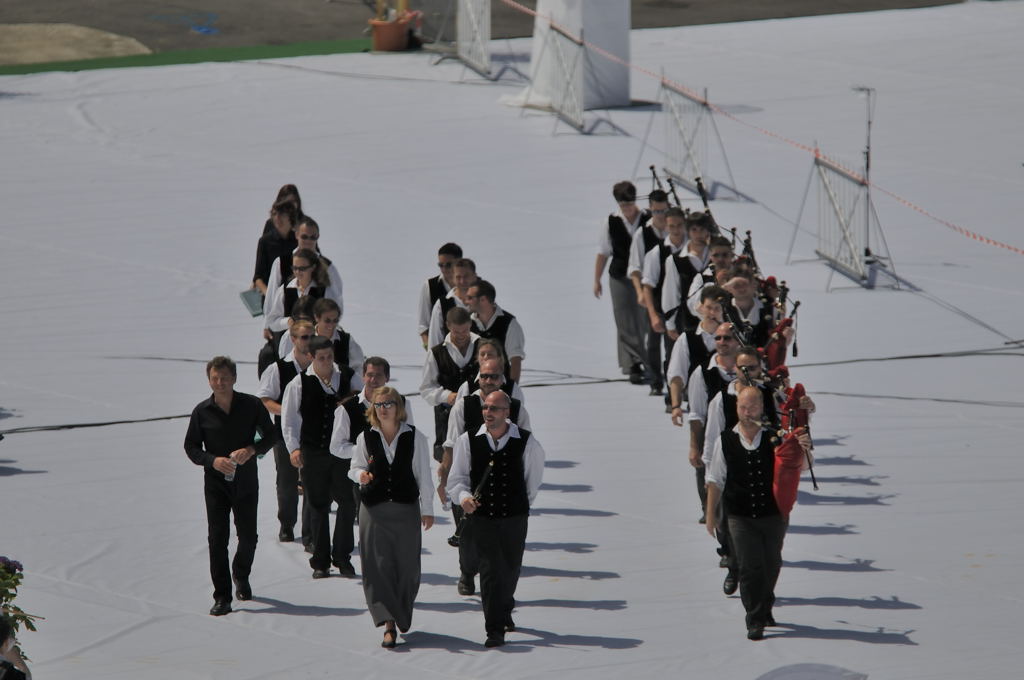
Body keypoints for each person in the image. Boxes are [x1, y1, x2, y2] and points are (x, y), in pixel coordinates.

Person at [706, 385, 810, 640]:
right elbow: (715, 480)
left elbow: (802, 467)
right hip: (739, 516)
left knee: (771, 563)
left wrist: (805, 446)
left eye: (752, 406)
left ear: (762, 408)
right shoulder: (725, 440)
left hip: (773, 515)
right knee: (751, 566)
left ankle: (765, 603)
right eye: (742, 406)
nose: (747, 411)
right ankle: (754, 618)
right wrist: (711, 516)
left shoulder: (778, 438)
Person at [446, 390, 545, 648]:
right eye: (485, 408)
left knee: (511, 568)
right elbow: (456, 480)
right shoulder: (468, 440)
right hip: (483, 519)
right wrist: (464, 498)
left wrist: (519, 506)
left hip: (514, 517)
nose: (488, 413)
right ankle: (494, 629)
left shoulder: (527, 442)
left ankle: (504, 607)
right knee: (489, 571)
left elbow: (532, 482)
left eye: (494, 409)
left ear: (507, 413)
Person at [184, 356, 276, 616]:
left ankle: (241, 573)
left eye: (224, 378)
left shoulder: (251, 405)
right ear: (209, 380)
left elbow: (271, 435)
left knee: (248, 537)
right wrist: (213, 461)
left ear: (234, 378)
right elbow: (191, 447)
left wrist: (251, 449)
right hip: (216, 485)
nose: (220, 383)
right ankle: (222, 596)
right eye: (215, 378)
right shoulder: (201, 412)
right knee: (217, 539)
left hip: (246, 481)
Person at [349, 385, 434, 649]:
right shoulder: (366, 437)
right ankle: (388, 623)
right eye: (379, 404)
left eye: (389, 404)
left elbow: (424, 475)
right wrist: (360, 475)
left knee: (408, 567)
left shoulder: (415, 437)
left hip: (405, 508)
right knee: (376, 567)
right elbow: (355, 466)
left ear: (399, 408)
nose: (384, 409)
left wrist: (427, 508)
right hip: (373, 510)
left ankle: (402, 612)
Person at [442, 358, 532, 594]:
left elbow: (526, 446)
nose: (488, 381)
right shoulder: (463, 405)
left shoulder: (515, 407)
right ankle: (467, 572)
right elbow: (451, 444)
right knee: (469, 539)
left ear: (503, 379)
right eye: (484, 376)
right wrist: (447, 481)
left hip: (503, 484)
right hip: (468, 481)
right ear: (477, 378)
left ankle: (498, 595)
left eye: (493, 376)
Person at [281, 337, 358, 578]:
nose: (326, 362)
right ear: (311, 357)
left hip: (342, 452)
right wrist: (294, 449)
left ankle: (343, 557)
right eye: (321, 357)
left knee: (347, 503)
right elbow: (289, 419)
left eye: (329, 356)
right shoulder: (299, 383)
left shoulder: (345, 377)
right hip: (313, 452)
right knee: (318, 505)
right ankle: (321, 560)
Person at [593, 183, 661, 384]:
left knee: (643, 320)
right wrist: (596, 279)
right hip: (620, 276)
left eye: (630, 204)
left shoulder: (648, 219)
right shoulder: (611, 221)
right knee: (624, 320)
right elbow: (603, 251)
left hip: (645, 276)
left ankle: (646, 359)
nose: (627, 208)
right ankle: (633, 363)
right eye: (623, 205)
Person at [256, 320, 314, 544]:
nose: (308, 341)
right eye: (303, 337)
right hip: (283, 433)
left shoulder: (319, 366)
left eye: (311, 336)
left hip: (313, 434)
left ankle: (310, 528)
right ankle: (287, 525)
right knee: (287, 481)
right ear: (292, 339)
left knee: (312, 480)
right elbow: (264, 399)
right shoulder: (277, 368)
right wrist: (288, 411)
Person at [687, 322, 741, 524]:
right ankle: (710, 510)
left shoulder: (750, 369)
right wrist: (694, 446)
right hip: (713, 434)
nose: (721, 342)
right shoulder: (702, 372)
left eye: (727, 338)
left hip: (741, 435)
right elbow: (696, 414)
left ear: (738, 341)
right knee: (708, 473)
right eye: (718, 338)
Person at [420, 306, 480, 462]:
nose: (461, 336)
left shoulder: (483, 347)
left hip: (478, 415)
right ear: (448, 326)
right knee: (447, 460)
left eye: (465, 331)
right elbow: (426, 389)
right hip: (446, 418)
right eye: (456, 332)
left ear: (470, 325)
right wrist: (447, 396)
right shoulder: (436, 353)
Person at [640, 206, 689, 398]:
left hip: (687, 310)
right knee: (662, 349)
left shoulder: (691, 249)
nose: (676, 230)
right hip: (663, 307)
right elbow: (648, 284)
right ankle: (663, 387)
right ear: (666, 227)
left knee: (685, 351)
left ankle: (684, 389)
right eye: (672, 226)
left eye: (679, 225)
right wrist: (653, 314)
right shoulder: (656, 252)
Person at [666, 285, 726, 426]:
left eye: (717, 308)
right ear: (701, 307)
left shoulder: (733, 336)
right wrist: (676, 406)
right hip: (698, 406)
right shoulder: (686, 339)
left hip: (729, 406)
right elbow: (677, 375)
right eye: (709, 307)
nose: (712, 313)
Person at [265, 249, 344, 336]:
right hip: (292, 342)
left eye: (302, 268)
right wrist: (288, 322)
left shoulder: (324, 290)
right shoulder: (284, 290)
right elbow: (272, 322)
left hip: (319, 343)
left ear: (313, 267)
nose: (298, 272)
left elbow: (335, 315)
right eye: (295, 268)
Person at [465, 279, 525, 383]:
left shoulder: (509, 323)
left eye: (470, 298)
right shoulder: (467, 322)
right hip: (473, 387)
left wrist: (512, 391)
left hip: (499, 388)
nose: (466, 301)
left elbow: (515, 361)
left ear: (483, 299)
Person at [418, 242, 463, 348]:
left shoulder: (471, 286)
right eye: (441, 265)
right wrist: (431, 350)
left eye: (448, 265)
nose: (444, 269)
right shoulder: (430, 286)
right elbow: (423, 325)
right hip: (441, 349)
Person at [427, 258, 479, 347]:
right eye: (458, 277)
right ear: (453, 278)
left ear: (474, 276)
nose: (462, 281)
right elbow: (435, 340)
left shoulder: (482, 301)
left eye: (466, 276)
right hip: (449, 359)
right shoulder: (442, 304)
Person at [252, 199, 298, 298]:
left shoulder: (300, 239)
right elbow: (258, 277)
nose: (277, 218)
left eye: (282, 214)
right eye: (274, 214)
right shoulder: (265, 241)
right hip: (271, 296)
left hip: (296, 294)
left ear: (291, 217)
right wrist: (269, 295)